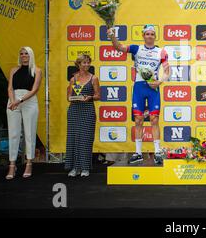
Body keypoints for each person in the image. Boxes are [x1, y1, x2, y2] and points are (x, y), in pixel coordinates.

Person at [107, 25, 170, 164]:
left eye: (152, 34)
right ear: (143, 36)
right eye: (147, 33)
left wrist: (159, 82)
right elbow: (119, 47)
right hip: (139, 87)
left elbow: (167, 71)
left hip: (153, 88)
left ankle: (158, 152)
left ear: (155, 36)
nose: (149, 36)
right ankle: (138, 152)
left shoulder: (161, 51)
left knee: (154, 119)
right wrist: (112, 36)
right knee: (138, 120)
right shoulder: (137, 48)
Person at [6, 47, 42, 180]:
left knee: (29, 133)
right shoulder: (14, 70)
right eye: (21, 53)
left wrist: (19, 100)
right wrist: (13, 100)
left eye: (26, 53)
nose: (23, 55)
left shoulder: (37, 70)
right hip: (13, 101)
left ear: (31, 55)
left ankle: (29, 163)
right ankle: (12, 164)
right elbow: (10, 87)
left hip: (29, 101)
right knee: (13, 133)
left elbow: (35, 89)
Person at [65, 54, 100, 177]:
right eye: (83, 63)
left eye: (88, 62)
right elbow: (68, 97)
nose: (86, 65)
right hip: (74, 110)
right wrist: (75, 97)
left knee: (85, 139)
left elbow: (98, 96)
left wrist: (89, 97)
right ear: (78, 64)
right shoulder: (73, 79)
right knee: (73, 138)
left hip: (88, 110)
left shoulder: (94, 78)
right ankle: (74, 168)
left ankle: (85, 168)